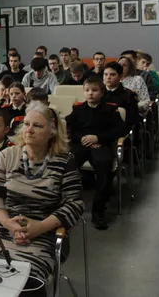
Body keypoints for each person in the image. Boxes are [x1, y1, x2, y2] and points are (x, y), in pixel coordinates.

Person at [0, 102, 84, 296]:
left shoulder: (64, 161)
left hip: (45, 234)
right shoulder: (7, 155)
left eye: (37, 126)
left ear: (52, 132)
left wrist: (40, 227)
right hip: (3, 228)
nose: (29, 130)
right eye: (27, 124)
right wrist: (8, 223)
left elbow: (75, 204)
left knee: (26, 283)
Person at [66, 76, 126, 229]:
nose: (90, 93)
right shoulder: (78, 109)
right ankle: (66, 205)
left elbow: (120, 129)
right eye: (87, 90)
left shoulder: (110, 109)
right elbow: (70, 128)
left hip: (101, 145)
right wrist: (82, 138)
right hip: (81, 145)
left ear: (102, 92)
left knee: (104, 167)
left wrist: (98, 138)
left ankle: (98, 212)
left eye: (94, 90)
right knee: (66, 164)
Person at [103, 62, 140, 130]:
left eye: (112, 74)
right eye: (105, 74)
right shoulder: (98, 93)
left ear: (120, 76)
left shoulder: (129, 95)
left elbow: (131, 121)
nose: (108, 77)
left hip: (119, 130)